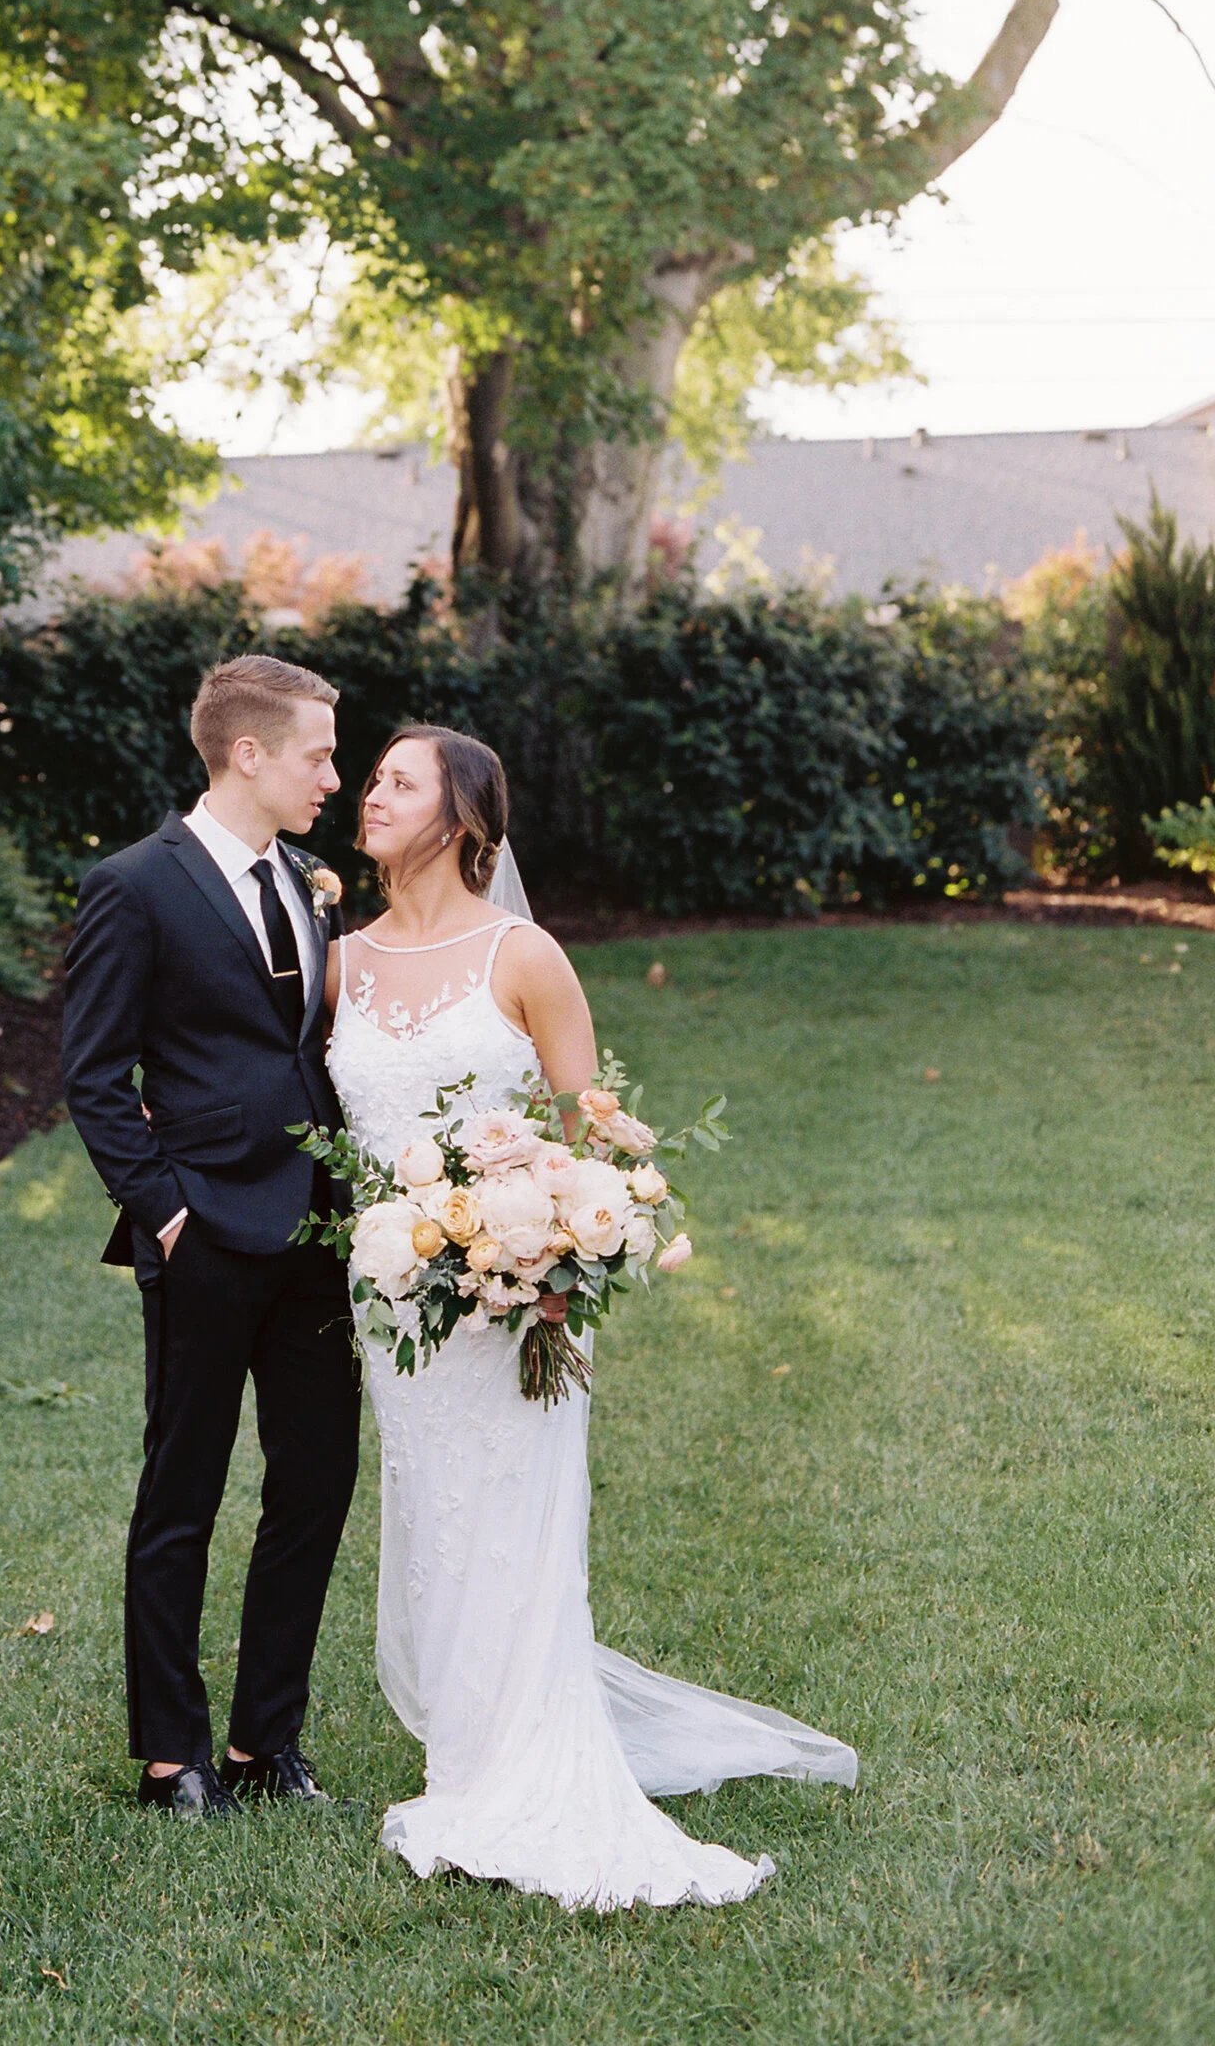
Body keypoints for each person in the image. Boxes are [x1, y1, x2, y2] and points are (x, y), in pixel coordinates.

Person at [331, 722, 858, 1909]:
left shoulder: (524, 955)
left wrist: (545, 1255)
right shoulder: (341, 961)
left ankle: (511, 1763)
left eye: (397, 782)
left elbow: (597, 1140)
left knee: (511, 1515)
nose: (369, 795)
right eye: (368, 778)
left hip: (512, 1300)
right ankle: (462, 1746)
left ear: (461, 818)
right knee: (430, 1509)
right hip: (392, 1298)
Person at [60, 652, 364, 1819]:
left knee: (316, 1483)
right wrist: (168, 1210)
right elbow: (93, 1073)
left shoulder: (308, 879)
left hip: (318, 1234)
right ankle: (171, 1752)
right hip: (204, 1235)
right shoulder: (134, 884)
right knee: (181, 1488)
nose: (332, 776)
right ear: (248, 752)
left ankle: (264, 1742)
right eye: (317, 754)